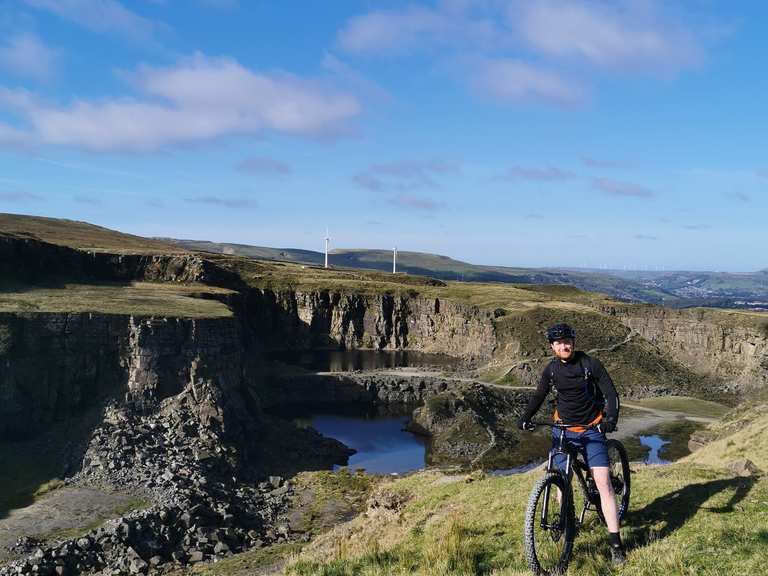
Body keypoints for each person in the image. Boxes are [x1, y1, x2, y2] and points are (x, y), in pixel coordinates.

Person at [517, 322, 626, 565]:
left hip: (591, 430)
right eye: (559, 343)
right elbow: (539, 395)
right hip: (563, 431)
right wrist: (526, 416)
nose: (564, 346)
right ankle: (567, 532)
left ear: (573, 343)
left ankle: (616, 544)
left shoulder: (590, 364)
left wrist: (610, 419)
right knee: (558, 481)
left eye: (567, 341)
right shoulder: (552, 370)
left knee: (603, 483)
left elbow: (610, 393)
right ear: (552, 347)